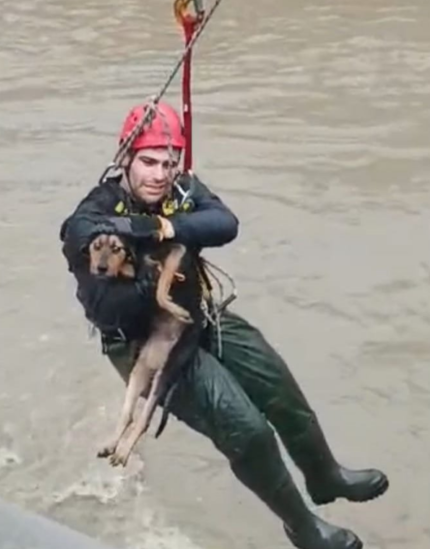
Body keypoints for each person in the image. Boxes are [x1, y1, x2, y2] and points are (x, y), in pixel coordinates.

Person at [58, 102, 388, 549]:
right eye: (148, 162)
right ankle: (302, 527)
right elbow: (107, 310)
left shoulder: (179, 190)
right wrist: (151, 266)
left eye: (168, 164)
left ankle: (324, 475)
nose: (159, 174)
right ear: (125, 159)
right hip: (143, 341)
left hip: (198, 314)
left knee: (277, 385)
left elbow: (223, 223)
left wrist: (161, 227)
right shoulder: (94, 216)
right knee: (245, 428)